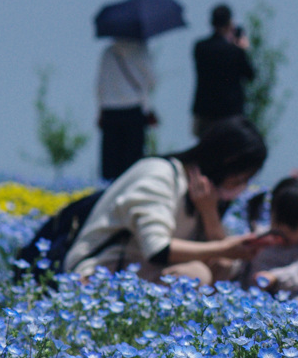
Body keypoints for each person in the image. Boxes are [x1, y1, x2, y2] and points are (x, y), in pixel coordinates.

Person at [64, 116, 269, 286]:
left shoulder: (204, 197)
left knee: (215, 267)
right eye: (240, 178)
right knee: (196, 273)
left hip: (137, 277)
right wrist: (224, 248)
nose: (242, 186)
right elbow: (157, 249)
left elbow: (224, 264)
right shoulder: (159, 175)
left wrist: (210, 214)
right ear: (226, 162)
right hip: (96, 275)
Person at [239, 176, 298, 295]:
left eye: (293, 227)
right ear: (270, 211)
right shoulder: (258, 236)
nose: (283, 231)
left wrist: (274, 277)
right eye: (278, 222)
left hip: (290, 304)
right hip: (249, 297)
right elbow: (238, 262)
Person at [97, 37, 157, 180]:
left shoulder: (108, 53)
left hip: (110, 111)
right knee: (133, 165)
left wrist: (99, 111)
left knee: (111, 165)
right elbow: (153, 80)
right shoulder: (140, 51)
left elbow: (100, 86)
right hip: (133, 110)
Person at [191, 3, 255, 138]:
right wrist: (242, 49)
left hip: (205, 112)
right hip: (230, 113)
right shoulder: (235, 51)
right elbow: (250, 75)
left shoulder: (200, 47)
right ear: (229, 24)